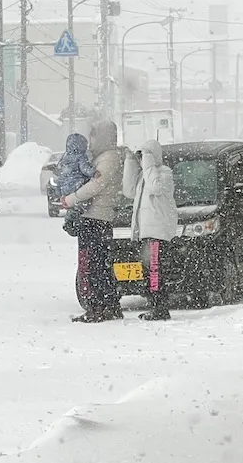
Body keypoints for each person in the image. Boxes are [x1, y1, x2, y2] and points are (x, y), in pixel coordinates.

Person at [60, 120, 124, 323]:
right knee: (100, 263)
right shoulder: (101, 157)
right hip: (94, 216)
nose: (92, 139)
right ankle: (108, 305)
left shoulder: (108, 158)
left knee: (96, 265)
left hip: (97, 216)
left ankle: (99, 307)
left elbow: (97, 185)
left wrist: (72, 198)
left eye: (95, 134)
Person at [131, 141, 179, 321]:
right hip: (146, 232)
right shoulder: (147, 176)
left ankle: (160, 308)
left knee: (155, 271)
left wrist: (149, 162)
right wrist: (130, 160)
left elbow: (156, 188)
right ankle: (155, 305)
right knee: (149, 271)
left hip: (157, 232)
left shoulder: (164, 174)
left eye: (143, 156)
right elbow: (129, 191)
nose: (142, 160)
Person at [53, 133, 94, 234]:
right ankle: (71, 219)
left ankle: (70, 221)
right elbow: (85, 169)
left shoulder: (65, 156)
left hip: (66, 187)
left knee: (73, 204)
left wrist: (59, 190)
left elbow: (60, 174)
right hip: (77, 184)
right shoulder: (81, 156)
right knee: (83, 204)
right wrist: (94, 171)